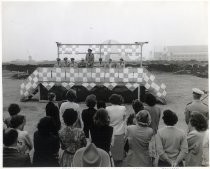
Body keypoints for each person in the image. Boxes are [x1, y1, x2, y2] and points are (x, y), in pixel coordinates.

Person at [106, 94, 127, 166]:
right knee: (119, 155)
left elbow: (107, 120)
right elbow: (124, 119)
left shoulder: (107, 108)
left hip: (110, 132)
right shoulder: (123, 108)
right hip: (120, 132)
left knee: (111, 153)